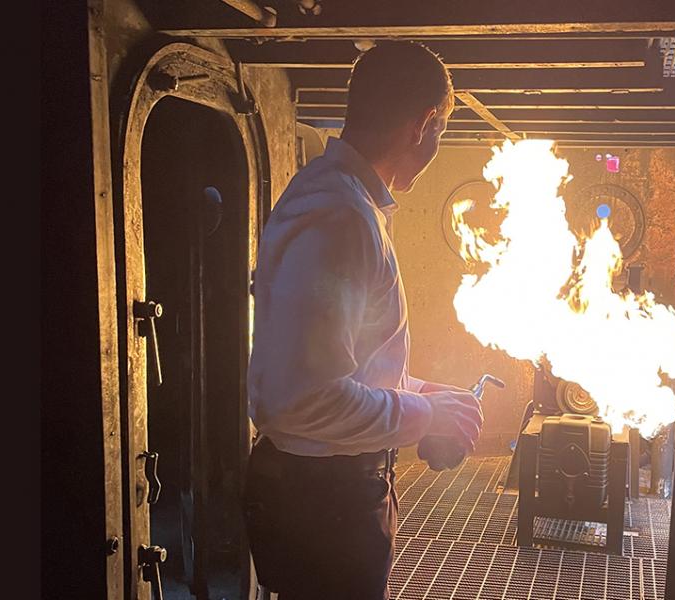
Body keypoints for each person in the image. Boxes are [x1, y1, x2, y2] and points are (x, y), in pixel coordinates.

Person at [243, 41, 484, 599]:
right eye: (442, 129)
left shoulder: (341, 199)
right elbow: (299, 399)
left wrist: (424, 393)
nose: (437, 143)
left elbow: (340, 361)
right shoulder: (343, 219)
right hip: (325, 505)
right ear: (424, 123)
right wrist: (422, 414)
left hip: (326, 496)